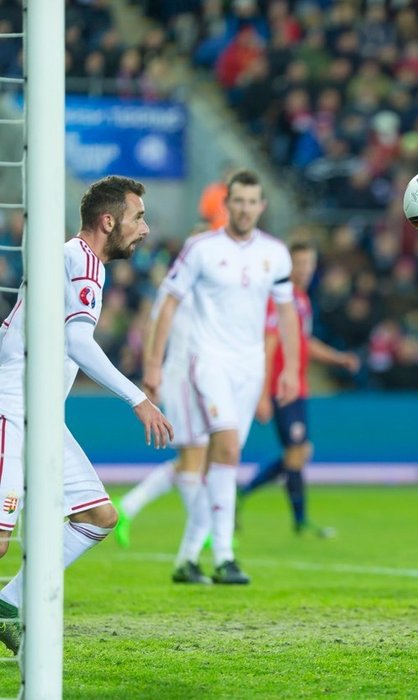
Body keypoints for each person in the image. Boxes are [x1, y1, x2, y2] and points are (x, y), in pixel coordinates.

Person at [0, 176, 173, 653]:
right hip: (12, 410)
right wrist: (137, 399)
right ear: (108, 220)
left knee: (98, 516)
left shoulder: (73, 259)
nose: (146, 228)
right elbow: (78, 341)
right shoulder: (82, 260)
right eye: (138, 217)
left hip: (40, 417)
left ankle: (8, 603)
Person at [144, 169, 301, 586]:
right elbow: (168, 304)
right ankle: (226, 555)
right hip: (207, 358)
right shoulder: (201, 249)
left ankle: (188, 558)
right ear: (226, 205)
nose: (245, 209)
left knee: (222, 459)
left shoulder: (275, 254)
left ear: (261, 206)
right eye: (238, 201)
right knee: (227, 449)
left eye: (253, 202)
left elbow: (286, 314)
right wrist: (153, 366)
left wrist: (290, 370)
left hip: (250, 366)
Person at [239, 241, 359, 536]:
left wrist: (338, 358)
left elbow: (304, 343)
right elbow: (268, 345)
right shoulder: (279, 299)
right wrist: (264, 394)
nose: (305, 270)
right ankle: (298, 519)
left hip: (297, 386)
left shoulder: (302, 300)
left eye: (310, 264)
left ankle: (250, 496)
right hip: (282, 386)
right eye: (300, 264)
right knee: (296, 450)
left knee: (300, 450)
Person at [115, 284, 210, 549]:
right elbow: (151, 328)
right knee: (194, 457)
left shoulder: (208, 281)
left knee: (193, 459)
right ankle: (203, 531)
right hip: (183, 381)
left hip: (201, 380)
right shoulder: (178, 285)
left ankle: (128, 506)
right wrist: (151, 373)